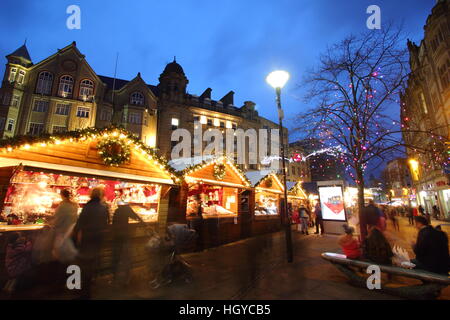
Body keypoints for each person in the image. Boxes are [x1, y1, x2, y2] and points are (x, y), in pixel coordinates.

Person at [73, 186, 109, 299]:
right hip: (97, 238)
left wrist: (76, 235)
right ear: (100, 196)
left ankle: (83, 289)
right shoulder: (103, 208)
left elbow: (80, 223)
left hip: (86, 238)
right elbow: (106, 223)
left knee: (83, 263)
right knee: (92, 262)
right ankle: (89, 283)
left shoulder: (87, 207)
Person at [111, 201, 145, 286]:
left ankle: (115, 276)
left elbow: (113, 223)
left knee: (116, 255)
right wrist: (143, 223)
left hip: (117, 236)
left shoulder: (117, 211)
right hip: (124, 235)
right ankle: (126, 277)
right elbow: (135, 217)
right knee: (126, 256)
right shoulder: (126, 210)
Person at [52, 189, 78, 264]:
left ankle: (61, 267)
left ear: (62, 195)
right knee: (68, 249)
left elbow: (57, 219)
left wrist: (51, 224)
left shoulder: (62, 206)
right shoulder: (74, 205)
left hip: (62, 230)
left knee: (60, 250)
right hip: (71, 229)